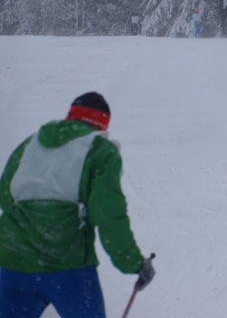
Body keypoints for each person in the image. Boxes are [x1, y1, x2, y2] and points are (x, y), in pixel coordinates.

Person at [0, 92, 155, 318]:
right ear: (103, 123)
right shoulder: (101, 150)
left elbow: (5, 196)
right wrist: (134, 263)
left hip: (14, 263)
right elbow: (108, 213)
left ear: (71, 115)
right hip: (68, 268)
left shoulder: (30, 144)